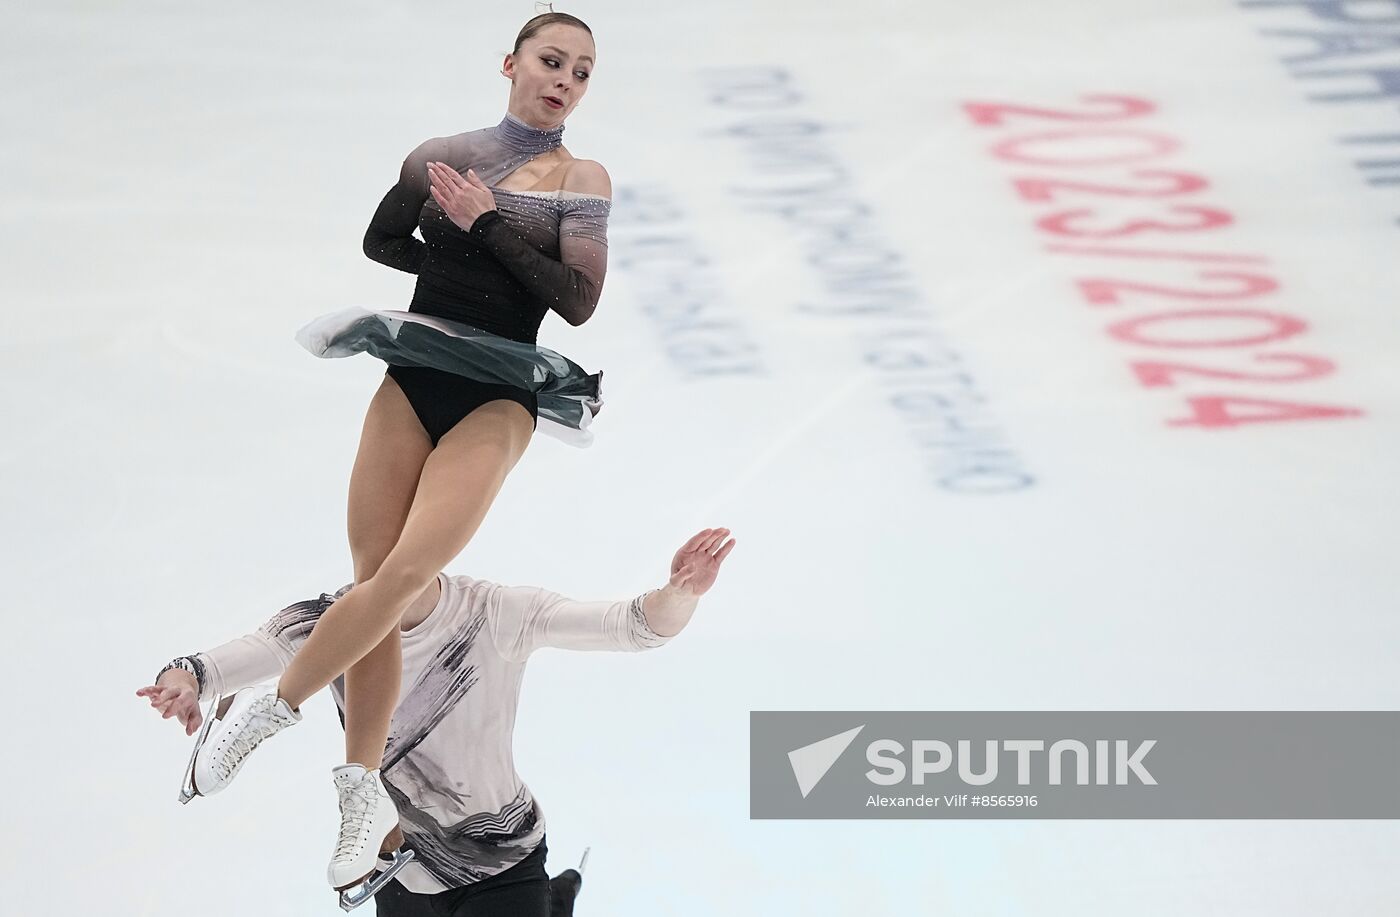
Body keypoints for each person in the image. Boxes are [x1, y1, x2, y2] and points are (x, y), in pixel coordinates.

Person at [151, 9, 617, 903]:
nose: (565, 79)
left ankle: (268, 717)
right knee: (374, 581)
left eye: (583, 72)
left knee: (405, 575)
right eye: (552, 61)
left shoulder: (582, 179)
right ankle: (361, 792)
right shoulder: (443, 150)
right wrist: (449, 248)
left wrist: (485, 227)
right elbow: (381, 241)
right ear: (512, 63)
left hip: (502, 390)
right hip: (413, 375)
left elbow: (577, 298)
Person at [139, 527, 737, 916]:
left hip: (500, 863)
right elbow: (250, 653)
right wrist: (187, 676)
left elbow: (630, 627)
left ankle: (550, 903)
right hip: (398, 870)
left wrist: (679, 593)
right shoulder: (334, 622)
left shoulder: (495, 613)